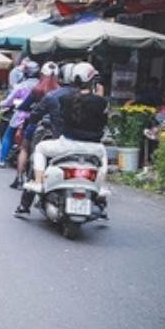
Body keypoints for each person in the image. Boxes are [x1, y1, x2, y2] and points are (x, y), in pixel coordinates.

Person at [17, 63, 109, 216]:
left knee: (39, 150)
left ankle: (35, 189)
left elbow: (37, 115)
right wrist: (99, 95)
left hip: (66, 145)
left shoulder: (63, 98)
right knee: (103, 160)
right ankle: (101, 195)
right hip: (94, 148)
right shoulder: (100, 102)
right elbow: (103, 122)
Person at [0, 60, 40, 167]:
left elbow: (9, 101)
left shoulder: (21, 86)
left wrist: (1, 104)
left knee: (8, 136)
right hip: (36, 117)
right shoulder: (41, 86)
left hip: (20, 116)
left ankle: (2, 160)